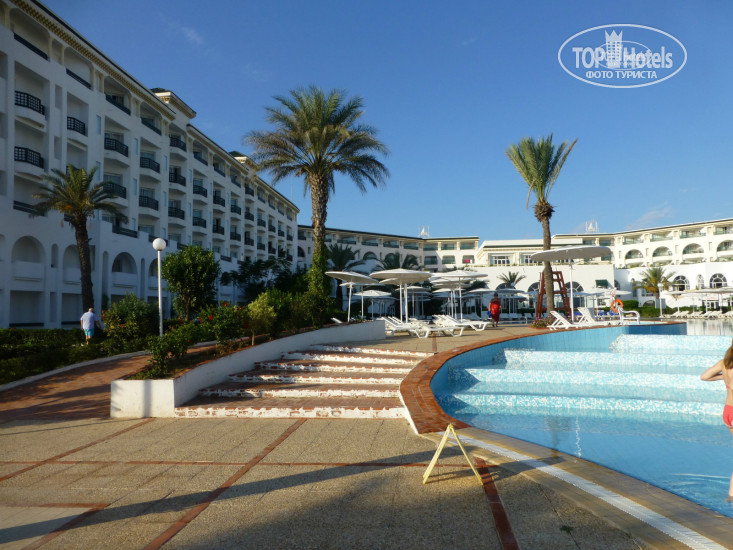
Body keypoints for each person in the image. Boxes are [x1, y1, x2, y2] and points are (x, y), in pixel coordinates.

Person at [700, 338, 733, 500]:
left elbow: (704, 376)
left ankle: (732, 494)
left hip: (728, 413)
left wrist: (723, 378)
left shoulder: (724, 363)